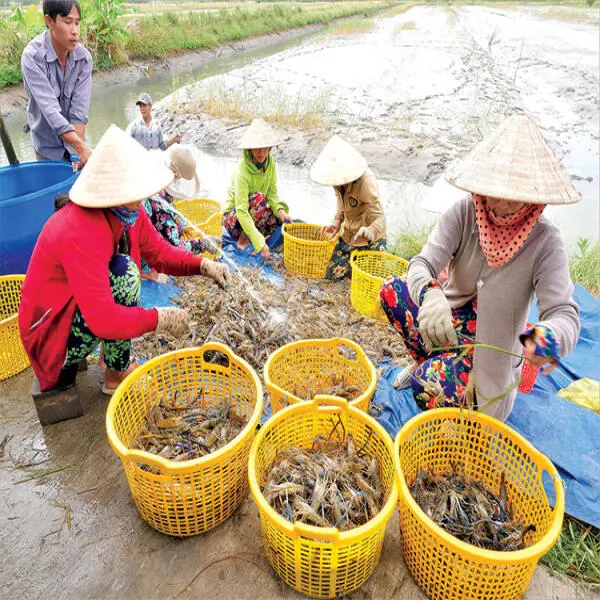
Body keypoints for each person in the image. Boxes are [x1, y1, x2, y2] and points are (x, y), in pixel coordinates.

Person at [379, 114, 581, 422]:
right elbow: (422, 264)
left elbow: (564, 315)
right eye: (495, 189)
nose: (500, 202)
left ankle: (439, 377)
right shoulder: (463, 213)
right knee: (393, 291)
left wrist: (548, 338)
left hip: (491, 355)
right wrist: (432, 295)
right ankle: (427, 358)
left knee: (426, 385)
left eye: (515, 194)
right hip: (451, 321)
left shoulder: (545, 242)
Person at [19, 124, 230, 404]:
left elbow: (160, 254)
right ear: (116, 190)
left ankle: (113, 361)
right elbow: (103, 318)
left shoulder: (127, 212)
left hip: (75, 311)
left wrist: (203, 266)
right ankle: (116, 374)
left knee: (124, 271)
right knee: (126, 274)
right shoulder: (80, 228)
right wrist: (159, 319)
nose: (142, 196)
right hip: (50, 339)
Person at [21, 0, 93, 168]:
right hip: (47, 148)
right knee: (55, 193)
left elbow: (79, 113)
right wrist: (81, 147)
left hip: (77, 141)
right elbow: (52, 113)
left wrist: (78, 151)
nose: (75, 31)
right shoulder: (33, 58)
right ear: (49, 21)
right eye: (68, 22)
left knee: (77, 189)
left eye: (77, 23)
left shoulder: (84, 59)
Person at [310, 136, 387, 280]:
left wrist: (371, 231)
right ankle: (352, 264)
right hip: (350, 236)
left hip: (371, 239)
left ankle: (359, 264)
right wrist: (337, 222)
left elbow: (379, 216)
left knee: (368, 280)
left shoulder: (366, 182)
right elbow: (341, 203)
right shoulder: (337, 180)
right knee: (331, 276)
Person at [141, 144, 221, 282]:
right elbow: (171, 248)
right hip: (144, 250)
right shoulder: (156, 201)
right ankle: (144, 272)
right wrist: (203, 244)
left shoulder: (162, 189)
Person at [223, 118, 293, 260]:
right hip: (234, 218)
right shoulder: (242, 170)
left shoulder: (270, 163)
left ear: (270, 147)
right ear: (249, 148)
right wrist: (259, 242)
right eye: (257, 147)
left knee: (279, 220)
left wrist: (280, 211)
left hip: (256, 212)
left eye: (265, 147)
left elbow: (272, 195)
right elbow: (242, 210)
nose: (261, 152)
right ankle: (244, 239)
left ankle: (253, 234)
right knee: (259, 198)